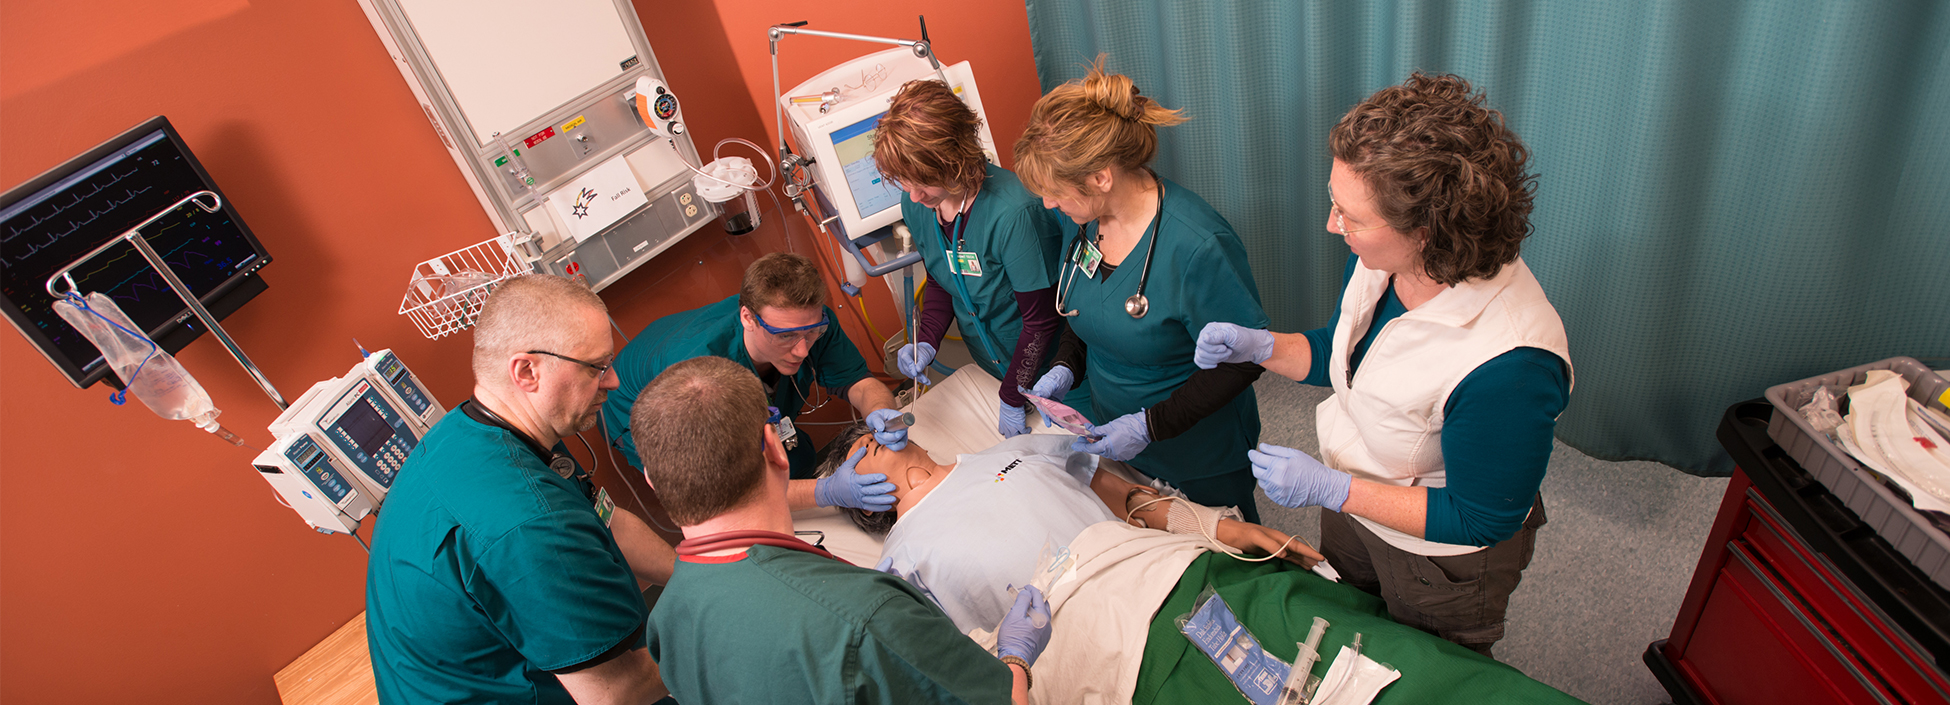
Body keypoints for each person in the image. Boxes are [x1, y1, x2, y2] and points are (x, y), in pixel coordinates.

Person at [1195, 73, 1573, 656]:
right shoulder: (1387, 259)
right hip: (1357, 497)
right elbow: (1351, 355)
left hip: (1438, 552)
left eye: (1350, 216)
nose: (1331, 225)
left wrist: (1332, 487)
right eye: (1334, 203)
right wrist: (1264, 346)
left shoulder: (1512, 363)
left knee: (1422, 661)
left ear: (1426, 231)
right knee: (1351, 616)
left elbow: (1478, 519)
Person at [628, 356, 1049, 704]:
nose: (876, 442)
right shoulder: (869, 613)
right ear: (776, 448)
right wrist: (1015, 659)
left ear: (652, 478)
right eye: (863, 448)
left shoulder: (666, 623)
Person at [366, 274, 675, 704]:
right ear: (527, 371)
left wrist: (702, 578)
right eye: (597, 367)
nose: (613, 381)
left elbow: (609, 523)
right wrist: (728, 632)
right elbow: (616, 692)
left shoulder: (477, 432)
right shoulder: (528, 520)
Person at [1013, 57, 1272, 522]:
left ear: (1100, 177)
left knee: (1229, 551)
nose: (1048, 203)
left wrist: (1150, 424)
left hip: (1196, 445)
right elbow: (1082, 307)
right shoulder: (1086, 218)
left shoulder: (1197, 246)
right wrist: (1065, 367)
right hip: (1114, 429)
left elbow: (1245, 361)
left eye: (1055, 191)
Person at [817, 422, 1317, 633]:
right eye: (858, 450)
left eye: (873, 431)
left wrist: (1220, 529)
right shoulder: (899, 560)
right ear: (861, 503)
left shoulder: (1012, 450)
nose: (871, 437)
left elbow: (1128, 499)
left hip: (1167, 569)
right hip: (1095, 639)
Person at [602, 252, 903, 513]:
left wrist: (882, 412)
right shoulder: (700, 375)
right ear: (748, 318)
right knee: (731, 502)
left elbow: (861, 384)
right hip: (638, 401)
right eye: (785, 336)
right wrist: (825, 493)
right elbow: (721, 491)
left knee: (797, 459)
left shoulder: (809, 322)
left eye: (811, 333)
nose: (802, 349)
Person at [872, 79, 1067, 438]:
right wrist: (927, 338)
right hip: (992, 368)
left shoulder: (1013, 214)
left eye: (923, 181)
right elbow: (941, 279)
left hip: (1051, 373)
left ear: (955, 158)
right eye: (903, 181)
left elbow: (1041, 323)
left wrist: (1012, 395)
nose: (913, 196)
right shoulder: (918, 206)